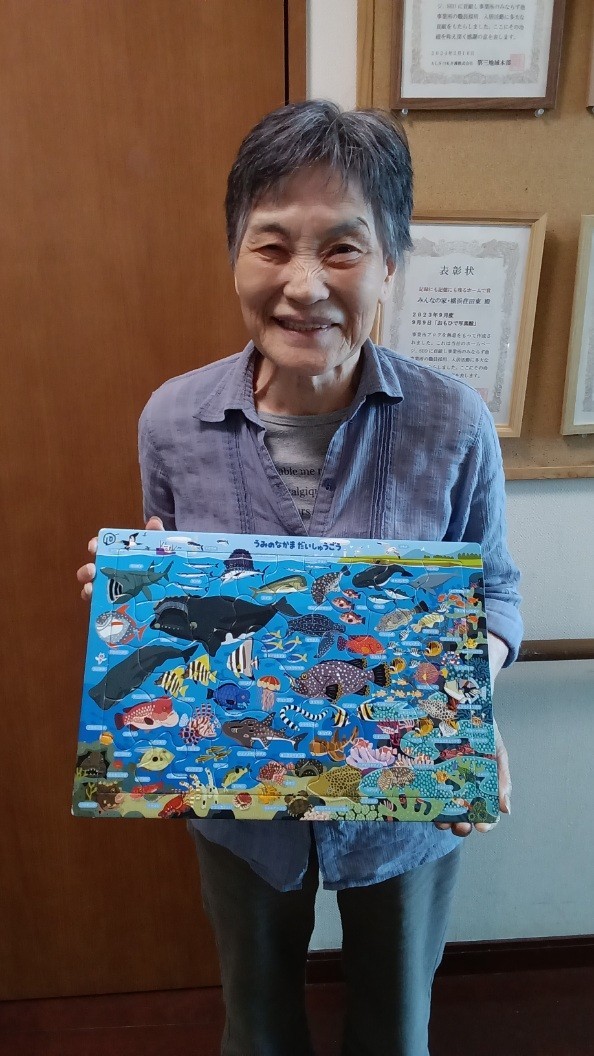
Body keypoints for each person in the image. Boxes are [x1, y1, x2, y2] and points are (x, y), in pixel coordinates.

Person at [77, 101, 522, 1056]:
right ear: (235, 255)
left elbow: (497, 594)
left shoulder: (453, 422)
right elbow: (168, 586)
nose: (305, 285)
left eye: (344, 249)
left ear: (390, 264)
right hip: (235, 797)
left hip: (404, 793)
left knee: (396, 1028)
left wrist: (463, 697)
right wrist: (130, 597)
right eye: (272, 246)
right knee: (256, 1024)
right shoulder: (172, 420)